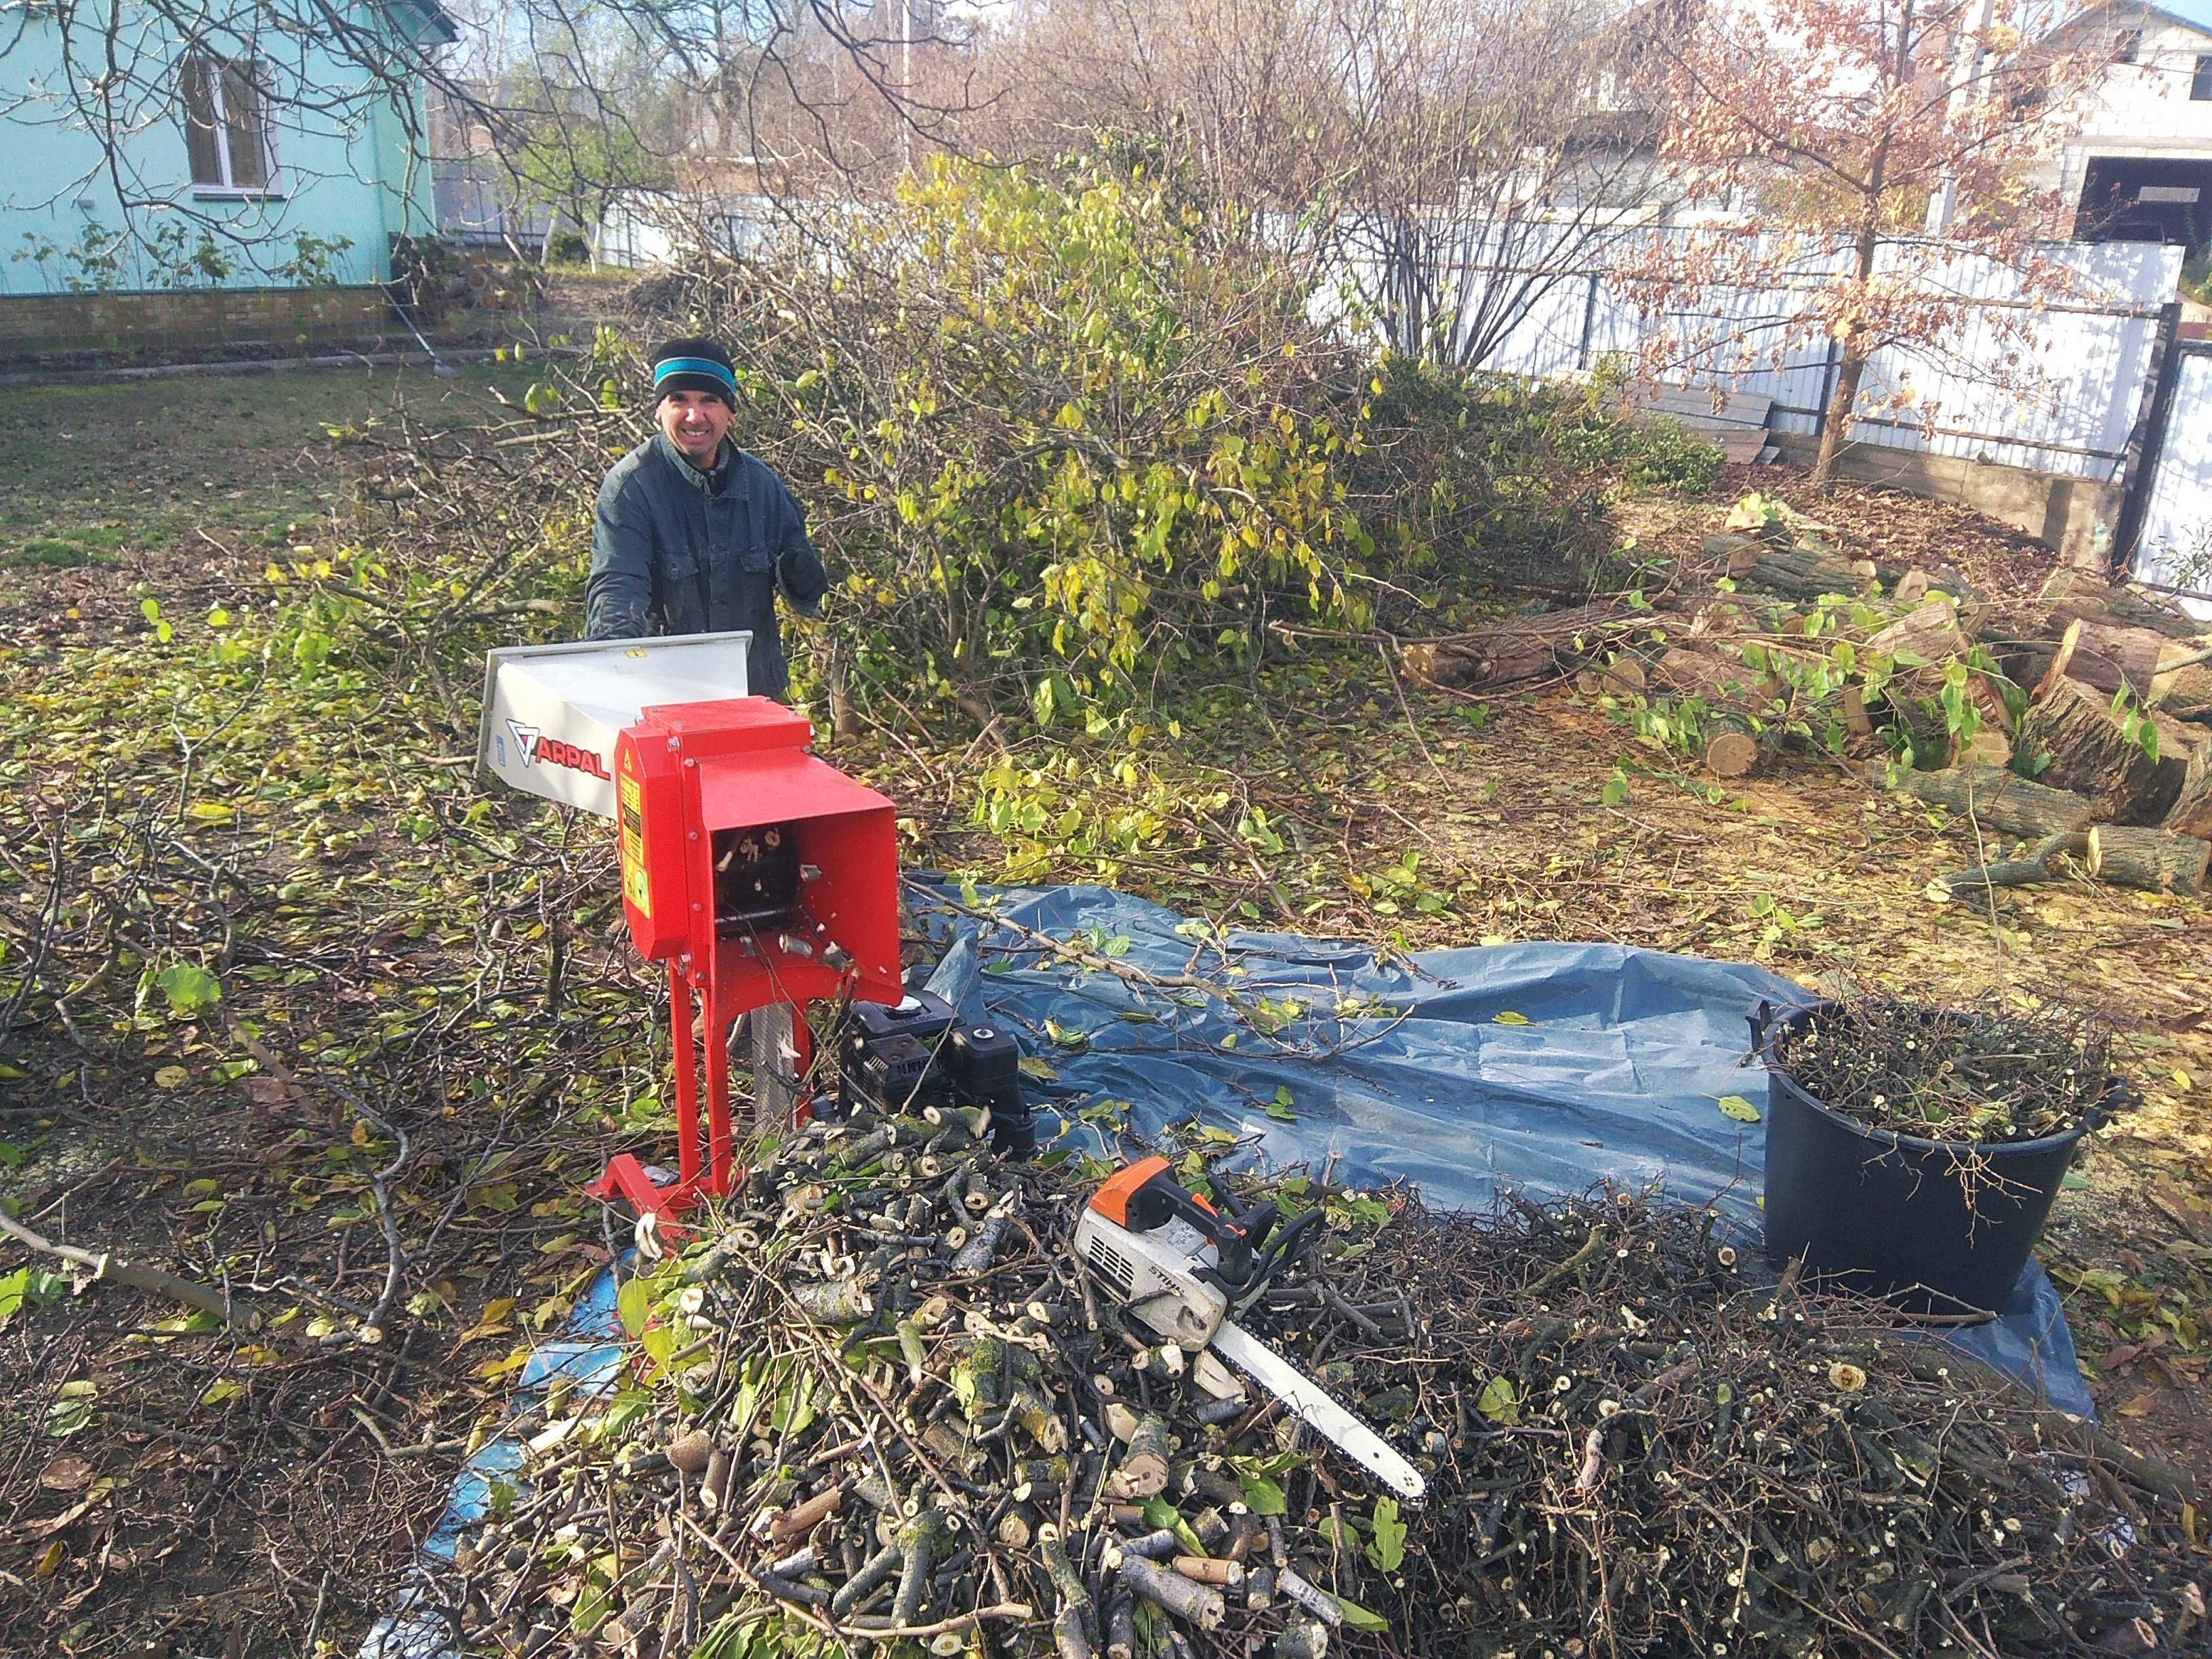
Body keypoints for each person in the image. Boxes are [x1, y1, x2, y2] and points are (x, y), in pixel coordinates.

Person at [586, 336, 829, 702]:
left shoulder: (763, 485)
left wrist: (803, 574)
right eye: (679, 400)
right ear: (659, 411)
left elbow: (809, 591)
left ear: (731, 413)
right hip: (666, 699)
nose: (694, 416)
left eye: (709, 401)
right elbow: (618, 588)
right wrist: (617, 663)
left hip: (756, 696)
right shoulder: (631, 488)